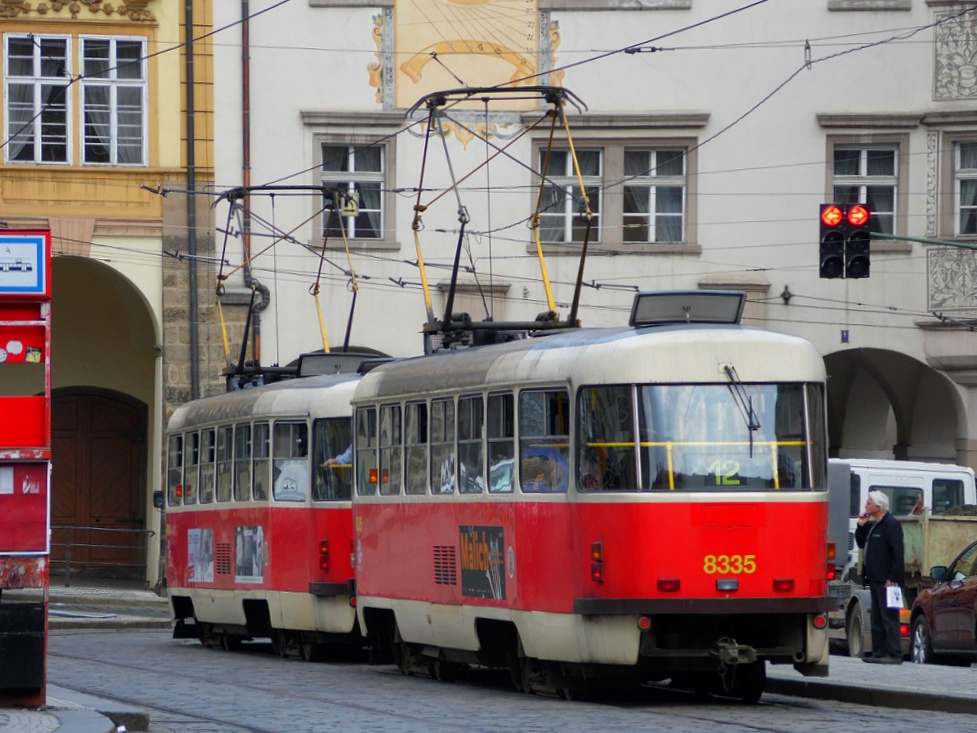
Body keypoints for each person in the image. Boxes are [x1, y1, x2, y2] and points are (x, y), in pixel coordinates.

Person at [854, 490, 905, 664]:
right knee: (876, 617)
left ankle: (894, 654)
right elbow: (861, 544)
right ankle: (879, 652)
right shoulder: (875, 524)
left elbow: (898, 553)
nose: (866, 505)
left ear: (878, 506)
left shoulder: (891, 524)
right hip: (874, 579)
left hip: (887, 581)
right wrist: (861, 526)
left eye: (869, 502)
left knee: (889, 617)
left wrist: (893, 577)